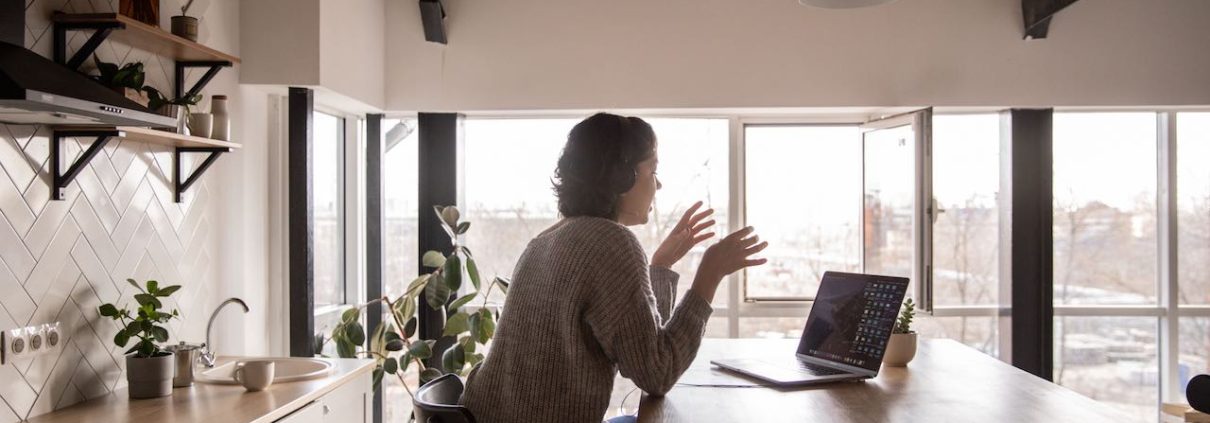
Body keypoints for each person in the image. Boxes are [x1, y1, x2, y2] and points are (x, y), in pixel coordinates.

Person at [461, 112, 768, 423]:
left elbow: (641, 350)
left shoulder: (547, 238)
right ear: (622, 177)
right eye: (652, 170)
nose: (658, 184)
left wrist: (660, 267)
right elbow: (657, 373)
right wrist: (709, 276)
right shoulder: (612, 243)